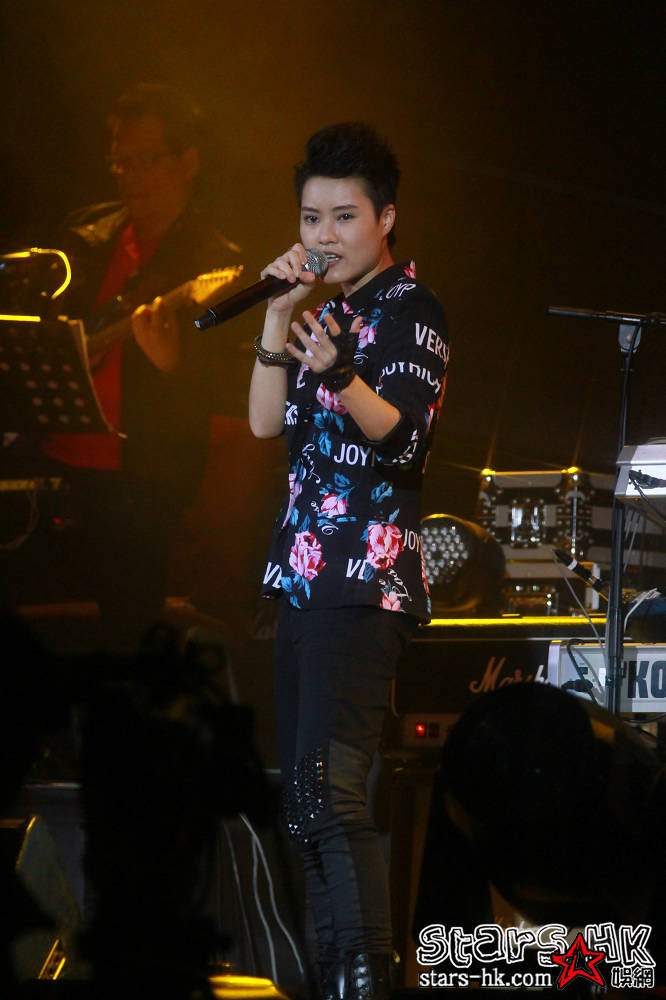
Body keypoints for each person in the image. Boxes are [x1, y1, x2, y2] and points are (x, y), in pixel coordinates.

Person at [248, 122, 449, 999]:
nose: (323, 235)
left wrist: (338, 374)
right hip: (302, 581)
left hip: (363, 583)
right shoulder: (320, 312)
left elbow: (403, 442)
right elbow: (265, 424)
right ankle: (336, 978)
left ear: (385, 219)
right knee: (302, 808)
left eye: (343, 217)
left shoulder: (412, 311)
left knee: (332, 797)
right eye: (310, 218)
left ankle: (369, 980)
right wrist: (276, 314)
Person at [19, 83, 241, 649]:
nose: (128, 175)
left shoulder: (213, 262)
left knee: (128, 631)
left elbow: (226, 388)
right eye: (120, 160)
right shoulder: (85, 235)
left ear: (187, 163)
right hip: (53, 459)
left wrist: (173, 366)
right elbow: (42, 327)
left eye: (145, 160)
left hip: (140, 480)